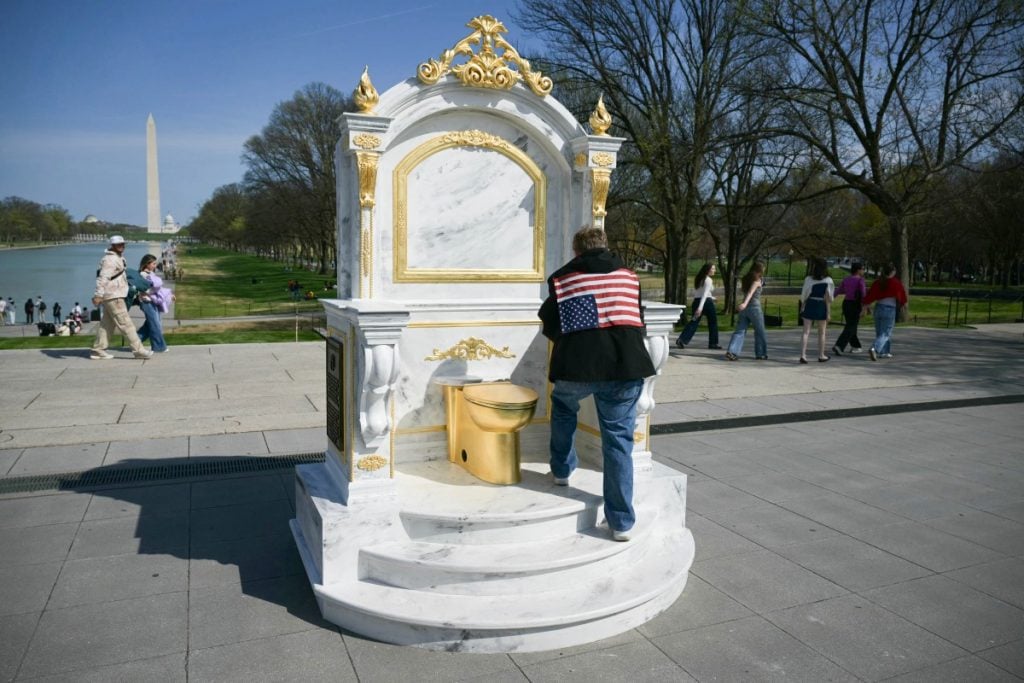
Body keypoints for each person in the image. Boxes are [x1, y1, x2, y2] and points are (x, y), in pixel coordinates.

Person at [538, 226, 656, 542]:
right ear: (605, 246)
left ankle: (562, 471)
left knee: (563, 408)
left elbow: (550, 323)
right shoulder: (629, 277)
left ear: (577, 251)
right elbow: (636, 317)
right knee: (618, 440)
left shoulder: (563, 278)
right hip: (625, 365)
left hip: (577, 366)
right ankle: (620, 523)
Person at [90, 235, 153, 360]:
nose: (122, 246)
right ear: (112, 246)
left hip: (114, 294)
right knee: (127, 324)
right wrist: (98, 295)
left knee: (107, 325)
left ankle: (98, 349)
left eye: (123, 244)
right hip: (114, 295)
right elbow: (103, 278)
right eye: (119, 244)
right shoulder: (111, 260)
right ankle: (138, 350)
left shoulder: (117, 258)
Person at [863, 263, 908, 361]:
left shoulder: (878, 282)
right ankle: (874, 348)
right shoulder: (895, 282)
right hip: (889, 308)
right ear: (893, 272)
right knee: (886, 333)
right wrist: (904, 304)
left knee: (880, 332)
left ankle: (885, 352)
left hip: (878, 307)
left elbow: (870, 295)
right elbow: (902, 294)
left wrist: (865, 306)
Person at [725, 261, 768, 361]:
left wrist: (743, 304)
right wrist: (745, 303)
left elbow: (745, 291)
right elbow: (750, 293)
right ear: (760, 270)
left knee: (740, 330)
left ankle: (732, 351)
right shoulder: (756, 281)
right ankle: (760, 353)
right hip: (754, 308)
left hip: (744, 310)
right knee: (760, 331)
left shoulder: (746, 279)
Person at [134, 254, 175, 353]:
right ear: (146, 264)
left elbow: (157, 288)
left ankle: (135, 342)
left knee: (149, 325)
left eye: (155, 263)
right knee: (155, 324)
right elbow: (149, 289)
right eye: (153, 263)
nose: (155, 265)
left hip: (151, 301)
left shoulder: (150, 274)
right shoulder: (143, 275)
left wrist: (169, 295)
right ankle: (159, 347)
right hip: (146, 302)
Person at [675, 263, 721, 350]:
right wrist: (700, 308)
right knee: (713, 323)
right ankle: (713, 343)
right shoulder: (708, 280)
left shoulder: (699, 278)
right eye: (713, 269)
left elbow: (701, 293)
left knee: (694, 322)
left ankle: (681, 339)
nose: (715, 270)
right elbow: (704, 295)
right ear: (708, 270)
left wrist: (712, 298)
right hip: (706, 303)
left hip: (696, 302)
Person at [799, 257, 834, 363]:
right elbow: (828, 298)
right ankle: (821, 355)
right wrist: (828, 312)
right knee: (822, 332)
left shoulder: (808, 279)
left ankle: (803, 355)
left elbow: (804, 295)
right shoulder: (828, 280)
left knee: (806, 332)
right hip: (821, 305)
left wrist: (802, 306)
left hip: (810, 303)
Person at [832, 262, 867, 355]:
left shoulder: (846, 279)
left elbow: (838, 290)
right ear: (858, 270)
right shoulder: (861, 280)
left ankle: (856, 346)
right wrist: (865, 307)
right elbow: (863, 294)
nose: (864, 271)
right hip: (855, 304)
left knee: (851, 325)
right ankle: (839, 345)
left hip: (846, 304)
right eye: (863, 269)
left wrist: (830, 299)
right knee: (851, 326)